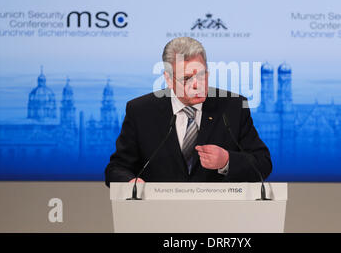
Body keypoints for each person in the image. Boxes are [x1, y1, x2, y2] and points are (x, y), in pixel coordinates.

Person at [104, 37, 272, 186]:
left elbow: (263, 163)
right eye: (186, 78)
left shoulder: (232, 107)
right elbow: (117, 168)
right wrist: (130, 182)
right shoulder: (141, 111)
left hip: (219, 213)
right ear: (168, 79)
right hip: (158, 214)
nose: (196, 85)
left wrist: (227, 160)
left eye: (201, 76)